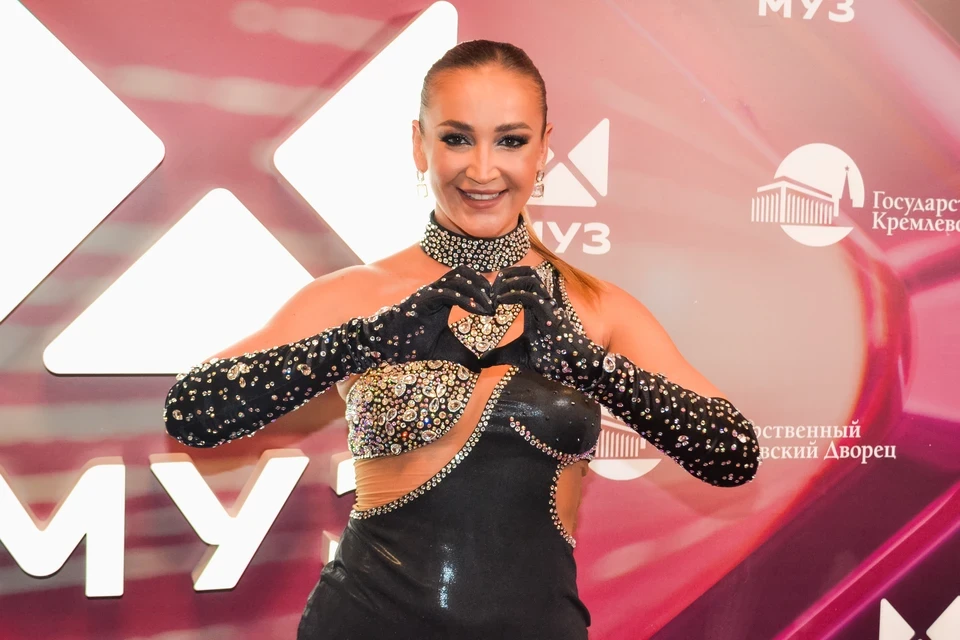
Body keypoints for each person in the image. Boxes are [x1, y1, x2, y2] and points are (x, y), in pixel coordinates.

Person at [162, 40, 760, 640]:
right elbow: (193, 413)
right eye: (456, 138)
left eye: (511, 140)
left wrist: (591, 367)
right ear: (418, 144)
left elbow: (733, 454)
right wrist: (364, 341)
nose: (482, 169)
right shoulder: (360, 296)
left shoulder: (594, 306)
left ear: (544, 148)